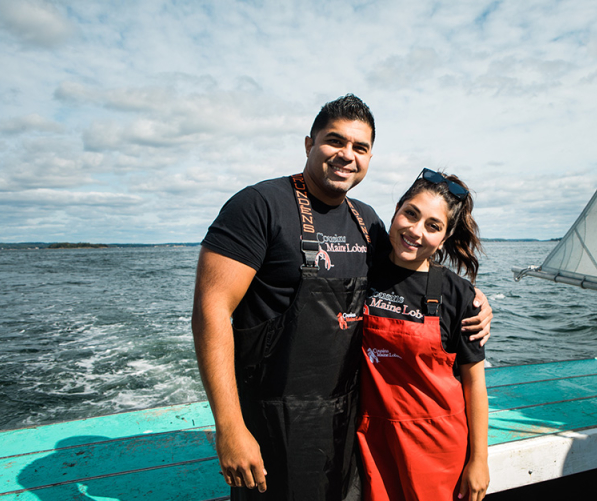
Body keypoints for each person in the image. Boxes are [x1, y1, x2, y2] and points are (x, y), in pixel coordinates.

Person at [191, 94, 492, 501]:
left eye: (360, 147)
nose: (346, 155)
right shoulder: (258, 206)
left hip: (348, 429)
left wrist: (473, 300)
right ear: (308, 144)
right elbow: (211, 312)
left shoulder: (366, 221)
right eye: (335, 141)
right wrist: (229, 428)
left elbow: (412, 273)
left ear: (370, 158)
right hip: (272, 423)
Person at [357, 169, 489, 501]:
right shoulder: (360, 271)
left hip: (437, 448)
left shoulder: (459, 295)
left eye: (433, 226)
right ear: (396, 211)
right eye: (410, 214)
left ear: (444, 238)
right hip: (370, 440)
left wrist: (479, 460)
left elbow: (474, 385)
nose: (415, 231)